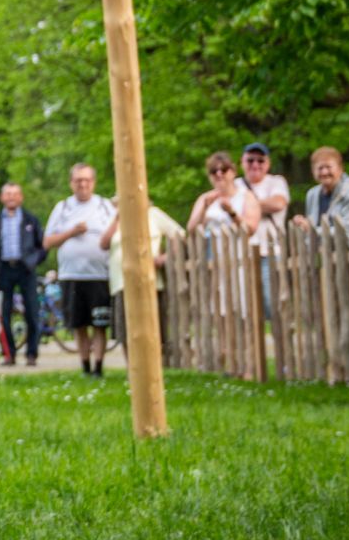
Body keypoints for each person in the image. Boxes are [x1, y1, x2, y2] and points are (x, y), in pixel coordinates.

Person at [46, 164, 117, 378]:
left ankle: (98, 367)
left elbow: (117, 232)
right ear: (71, 183)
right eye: (78, 180)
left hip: (99, 274)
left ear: (93, 182)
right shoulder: (63, 208)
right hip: (71, 275)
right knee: (79, 324)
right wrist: (71, 232)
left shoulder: (105, 206)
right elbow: (48, 241)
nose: (82, 184)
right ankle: (85, 366)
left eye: (86, 180)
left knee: (99, 323)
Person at [104, 199, 185, 351]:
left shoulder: (153, 214)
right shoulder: (115, 217)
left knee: (153, 327)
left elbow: (179, 234)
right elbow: (103, 243)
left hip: (150, 281)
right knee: (126, 331)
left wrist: (165, 257)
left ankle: (157, 362)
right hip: (121, 282)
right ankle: (131, 365)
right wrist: (117, 219)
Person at [0, 182, 47, 366]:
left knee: (32, 311)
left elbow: (43, 245)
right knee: (3, 313)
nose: (11, 197)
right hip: (4, 270)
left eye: (15, 194)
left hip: (26, 269)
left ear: (21, 197)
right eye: (8, 194)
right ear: (2, 198)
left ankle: (32, 353)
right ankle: (9, 353)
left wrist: (33, 261)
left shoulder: (31, 220)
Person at [240, 141, 290, 314]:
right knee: (246, 303)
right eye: (250, 160)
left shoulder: (276, 182)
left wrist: (246, 207)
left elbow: (278, 203)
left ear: (268, 164)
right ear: (242, 162)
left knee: (271, 301)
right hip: (242, 252)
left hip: (270, 250)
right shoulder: (236, 184)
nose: (255, 164)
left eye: (260, 160)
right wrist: (260, 206)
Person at [189, 153, 259, 240]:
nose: (219, 174)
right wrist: (204, 208)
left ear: (233, 172)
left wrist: (231, 212)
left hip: (239, 248)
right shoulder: (204, 198)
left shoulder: (247, 196)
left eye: (224, 169)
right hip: (210, 247)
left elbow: (251, 230)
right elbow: (191, 231)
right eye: (213, 171)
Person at [295, 147, 349, 230]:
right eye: (320, 168)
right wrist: (302, 224)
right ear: (313, 171)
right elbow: (312, 226)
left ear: (341, 169)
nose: (324, 172)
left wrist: (312, 229)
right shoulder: (312, 194)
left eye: (328, 167)